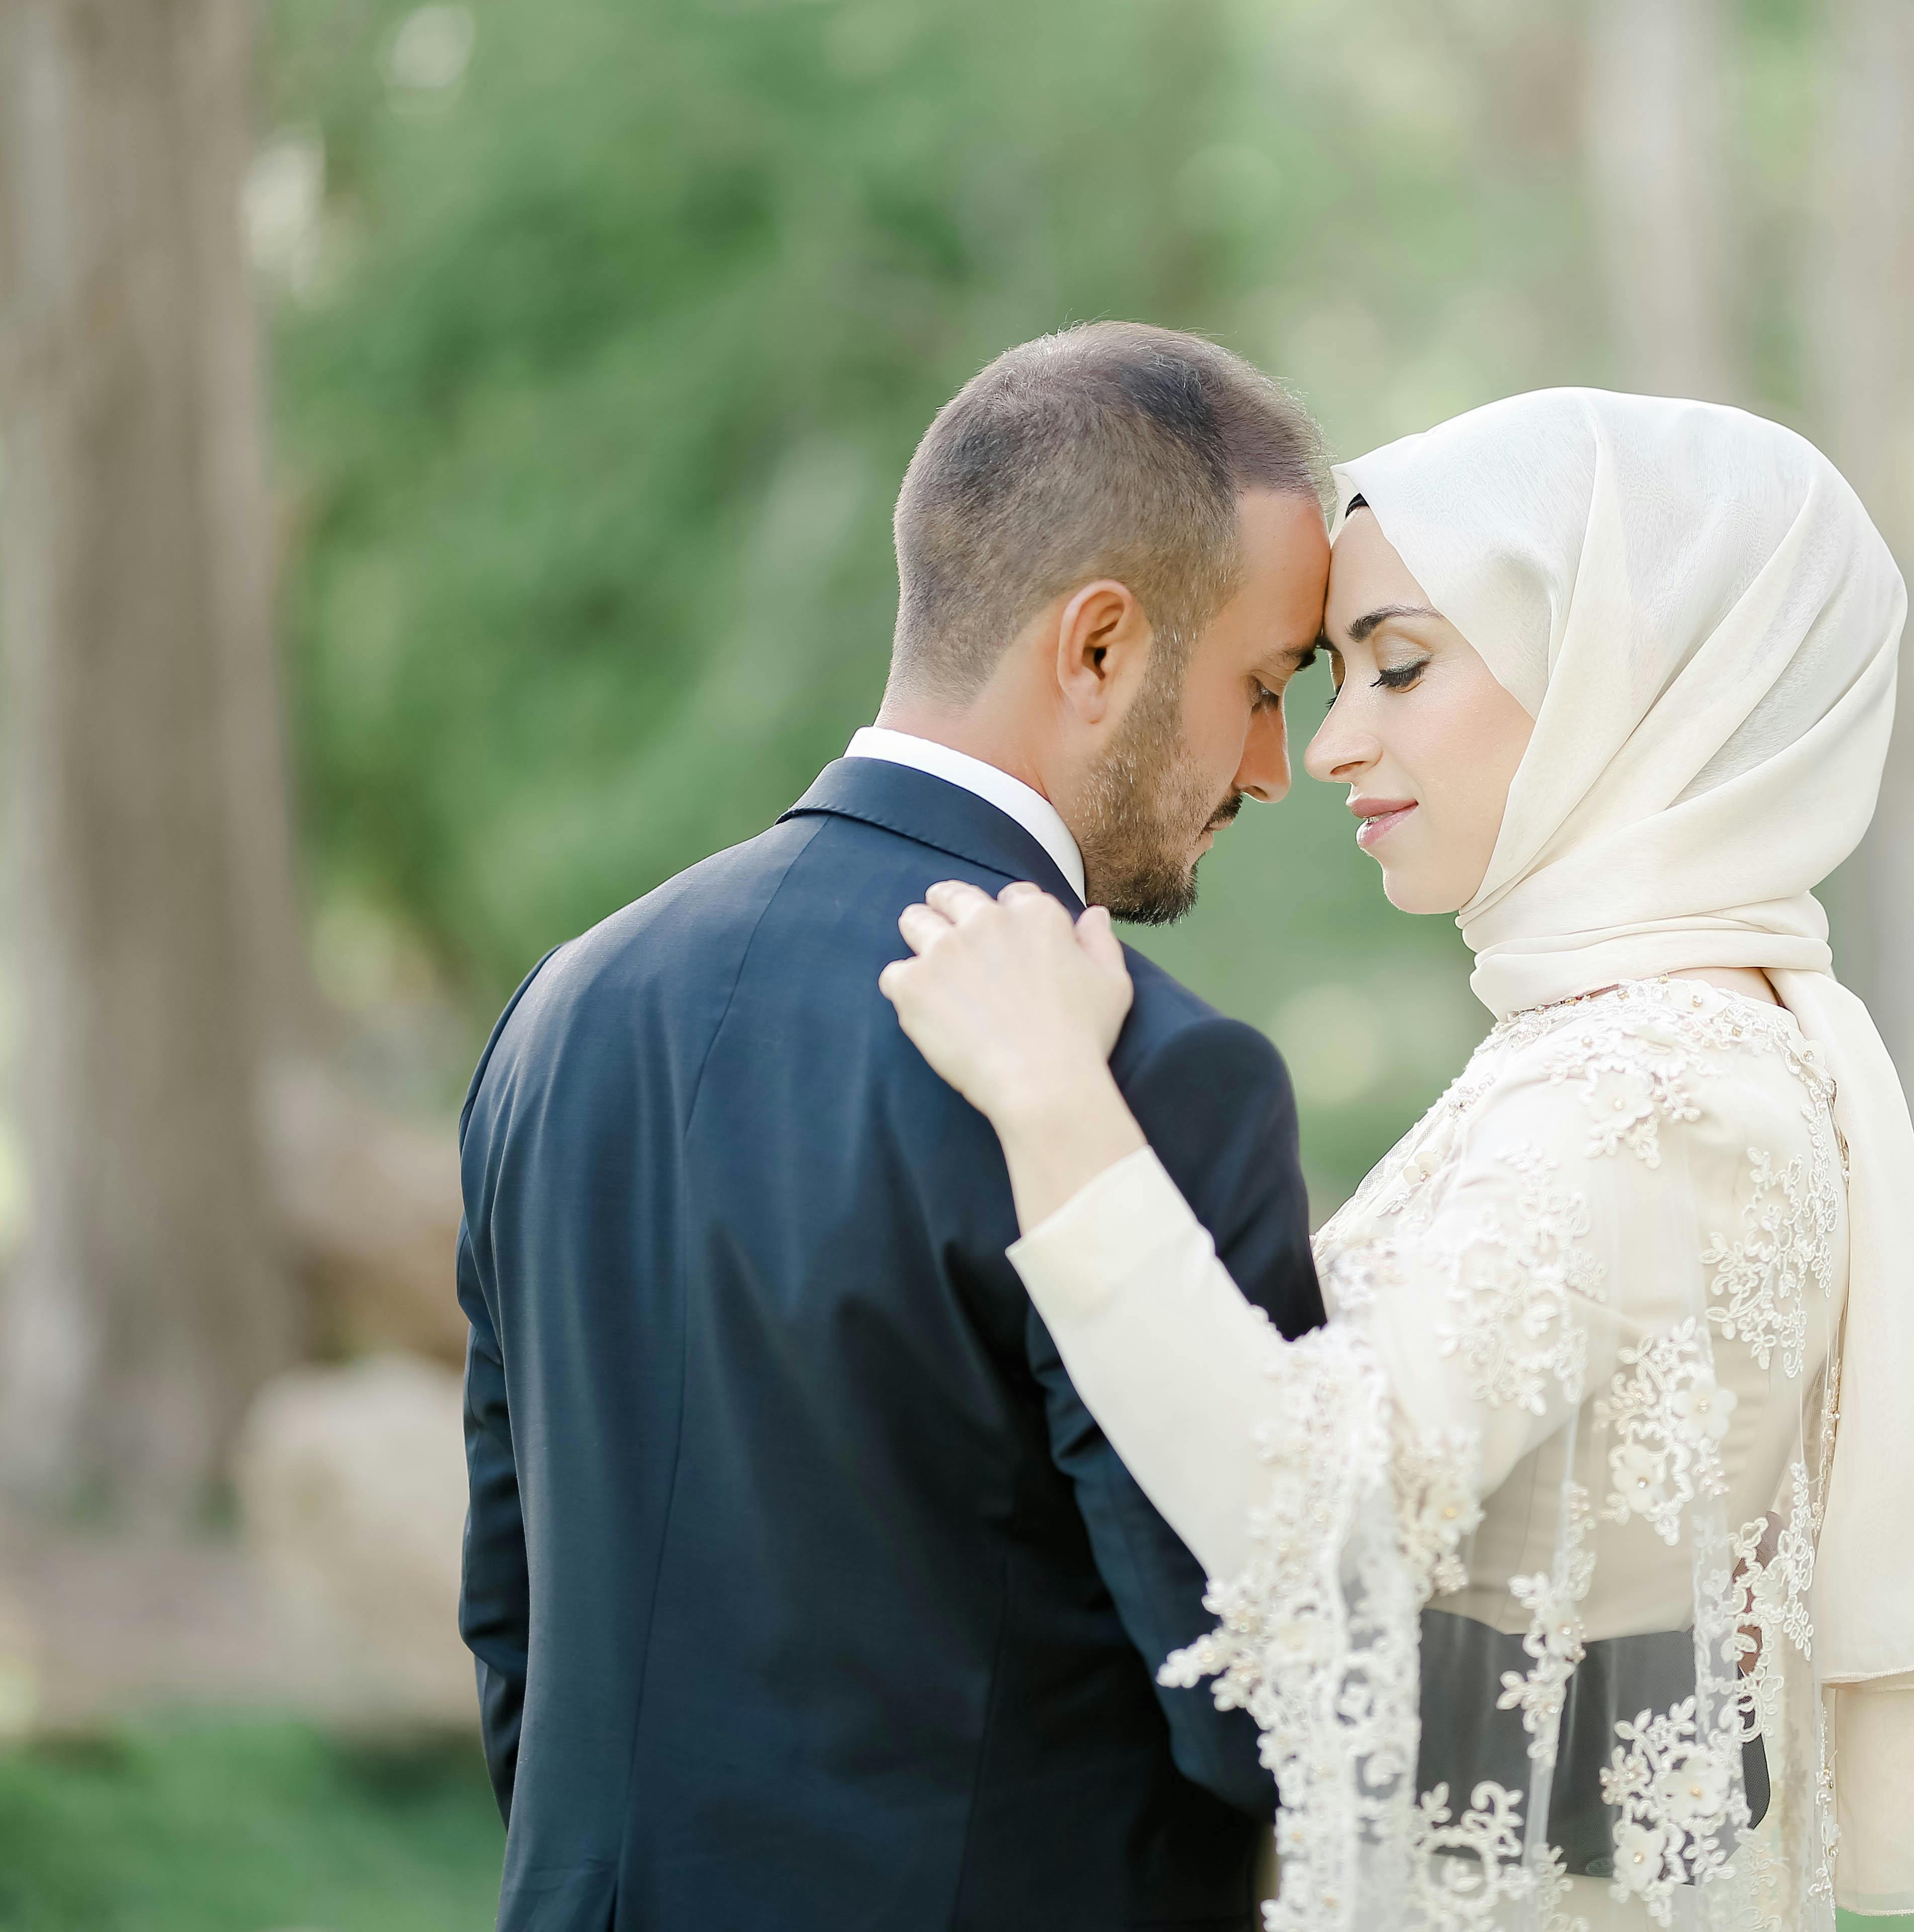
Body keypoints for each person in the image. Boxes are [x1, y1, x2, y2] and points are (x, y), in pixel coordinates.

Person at [882, 389, 1914, 1930]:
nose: (1332, 747)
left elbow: (1317, 1510)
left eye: (1401, 666)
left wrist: (1049, 1095)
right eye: (1335, 676)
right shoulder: (1641, 1053)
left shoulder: (1657, 1094)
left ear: (1626, 680)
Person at [454, 321, 1335, 1931]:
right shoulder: (1163, 1078)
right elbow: (1256, 1716)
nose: (1273, 768)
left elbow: (521, 1643)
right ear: (1100, 650)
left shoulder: (558, 1019)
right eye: (1264, 687)